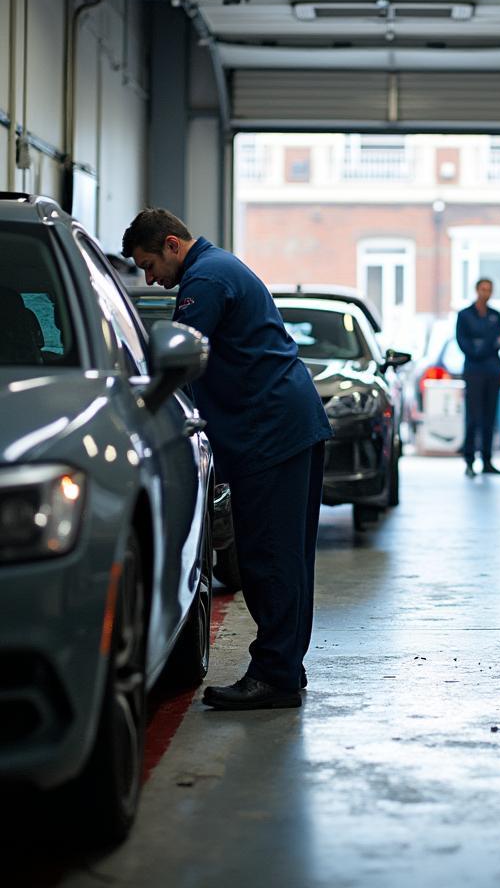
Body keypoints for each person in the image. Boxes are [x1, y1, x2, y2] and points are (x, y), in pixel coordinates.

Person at [122, 209, 332, 710]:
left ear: (173, 244)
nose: (151, 278)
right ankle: (285, 666)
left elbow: (177, 364)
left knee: (269, 557)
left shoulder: (206, 279)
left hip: (270, 430)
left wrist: (140, 410)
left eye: (150, 265)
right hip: (286, 423)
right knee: (288, 556)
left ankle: (275, 676)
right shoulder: (217, 268)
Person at [456, 277, 500, 477]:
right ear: (476, 290)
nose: (486, 293)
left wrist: (493, 342)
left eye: (489, 289)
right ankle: (470, 460)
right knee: (473, 417)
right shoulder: (464, 316)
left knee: (490, 416)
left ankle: (487, 460)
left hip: (492, 371)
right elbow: (466, 345)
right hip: (474, 371)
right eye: (483, 289)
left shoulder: (495, 316)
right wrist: (490, 344)